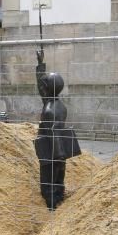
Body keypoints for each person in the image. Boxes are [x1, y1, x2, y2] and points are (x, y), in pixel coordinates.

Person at [34, 49, 80, 210]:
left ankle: (51, 204)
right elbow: (42, 87)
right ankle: (58, 195)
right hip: (59, 150)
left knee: (48, 178)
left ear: (48, 88)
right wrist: (41, 65)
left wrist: (58, 155)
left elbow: (54, 135)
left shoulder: (48, 110)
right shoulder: (57, 104)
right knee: (59, 176)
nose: (42, 87)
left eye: (45, 84)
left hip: (51, 150)